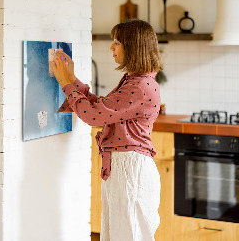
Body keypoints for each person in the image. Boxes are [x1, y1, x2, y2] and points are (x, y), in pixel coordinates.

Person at [50, 19, 162, 241]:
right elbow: (101, 108)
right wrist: (71, 79)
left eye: (117, 42)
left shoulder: (139, 86)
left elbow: (93, 116)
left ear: (133, 47)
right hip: (125, 170)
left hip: (130, 172)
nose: (112, 48)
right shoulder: (135, 81)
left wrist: (65, 83)